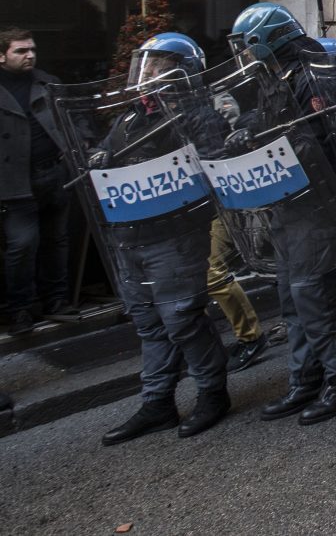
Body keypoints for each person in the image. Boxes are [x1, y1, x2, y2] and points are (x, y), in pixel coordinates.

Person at [70, 33, 231, 444]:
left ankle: (212, 393)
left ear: (181, 72)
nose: (148, 74)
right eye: (146, 65)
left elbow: (213, 160)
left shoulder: (195, 114)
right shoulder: (130, 116)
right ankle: (157, 401)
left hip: (175, 233)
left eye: (158, 66)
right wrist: (99, 158)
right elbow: (108, 151)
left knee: (182, 318)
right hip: (130, 234)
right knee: (148, 322)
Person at [226, 3, 336, 425]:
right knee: (291, 297)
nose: (245, 56)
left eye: (247, 46)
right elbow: (275, 120)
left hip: (318, 203)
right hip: (288, 204)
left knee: (312, 297)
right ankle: (305, 378)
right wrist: (247, 131)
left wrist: (267, 140)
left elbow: (321, 136)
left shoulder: (313, 71)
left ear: (266, 39)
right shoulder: (276, 77)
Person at [1, 27, 72, 336]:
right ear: (1, 55)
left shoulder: (48, 82)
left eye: (31, 49)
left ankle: (56, 299)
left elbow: (70, 122)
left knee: (56, 240)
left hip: (53, 173)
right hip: (14, 179)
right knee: (22, 245)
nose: (29, 54)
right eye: (20, 50)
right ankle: (20, 308)